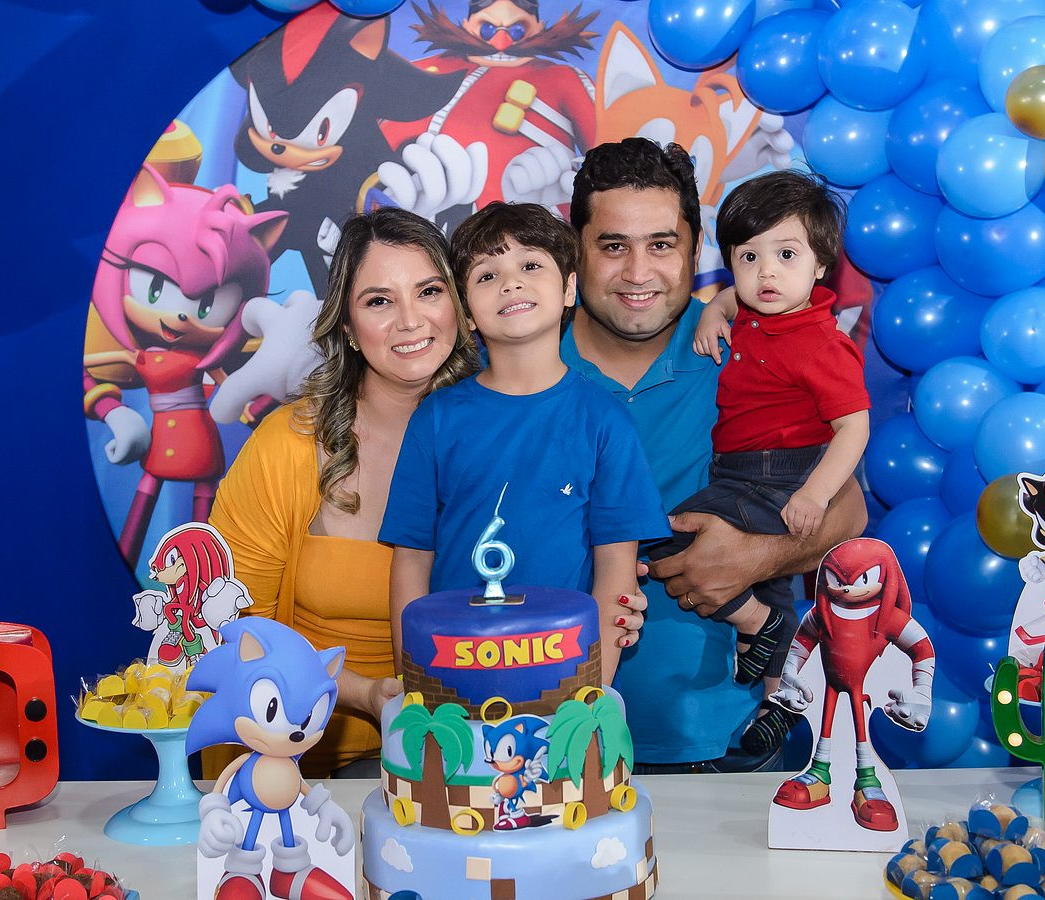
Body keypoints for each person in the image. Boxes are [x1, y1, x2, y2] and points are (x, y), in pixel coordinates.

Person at [561, 138, 868, 771]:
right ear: (576, 250)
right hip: (543, 734)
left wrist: (756, 557)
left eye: (662, 245)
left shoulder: (745, 346)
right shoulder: (521, 363)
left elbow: (850, 511)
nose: (638, 272)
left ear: (696, 249)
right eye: (613, 246)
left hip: (721, 738)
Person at [206, 207, 483, 778]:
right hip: (296, 763)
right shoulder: (287, 444)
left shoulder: (503, 438)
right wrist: (364, 693)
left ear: (460, 307)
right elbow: (232, 627)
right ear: (349, 329)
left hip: (478, 757)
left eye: (429, 291)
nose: (410, 320)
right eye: (379, 301)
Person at [380, 201, 668, 685]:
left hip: (564, 677)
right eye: (487, 275)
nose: (511, 283)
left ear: (569, 287)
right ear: (467, 312)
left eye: (531, 266)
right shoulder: (435, 418)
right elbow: (411, 562)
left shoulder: (606, 420)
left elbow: (616, 574)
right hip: (453, 675)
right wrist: (417, 685)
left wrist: (589, 696)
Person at [661, 168, 870, 757]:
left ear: (821, 264)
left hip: (782, 470)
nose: (766, 273)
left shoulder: (821, 343)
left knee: (676, 537)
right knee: (772, 585)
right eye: (748, 257)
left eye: (786, 255)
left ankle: (757, 627)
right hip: (736, 465)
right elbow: (735, 296)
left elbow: (854, 427)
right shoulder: (753, 307)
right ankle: (780, 695)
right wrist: (713, 311)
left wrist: (814, 495)